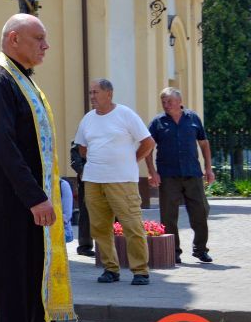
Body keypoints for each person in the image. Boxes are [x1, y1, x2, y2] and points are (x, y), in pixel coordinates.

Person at [0, 14, 76, 322]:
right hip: (10, 199)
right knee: (12, 275)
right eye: (39, 38)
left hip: (29, 198)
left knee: (33, 272)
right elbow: (4, 146)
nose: (46, 46)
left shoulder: (22, 79)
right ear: (13, 39)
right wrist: (34, 197)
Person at [73, 79, 155, 285]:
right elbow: (82, 148)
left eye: (96, 92)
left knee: (131, 225)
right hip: (93, 180)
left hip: (122, 180)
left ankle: (140, 271)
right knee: (99, 227)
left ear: (109, 94)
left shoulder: (125, 114)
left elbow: (148, 142)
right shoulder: (88, 119)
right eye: (90, 92)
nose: (92, 96)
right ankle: (110, 269)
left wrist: (131, 159)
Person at [146, 87, 215, 263]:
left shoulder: (193, 118)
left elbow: (204, 143)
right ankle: (173, 251)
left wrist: (208, 168)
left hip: (192, 173)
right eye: (163, 102)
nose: (166, 105)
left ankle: (200, 249)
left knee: (200, 212)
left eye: (169, 101)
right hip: (168, 176)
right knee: (168, 216)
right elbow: (147, 148)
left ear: (179, 101)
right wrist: (152, 172)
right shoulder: (157, 122)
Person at [70, 142, 94, 256]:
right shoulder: (83, 134)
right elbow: (75, 156)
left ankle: (116, 244)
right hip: (87, 180)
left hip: (110, 178)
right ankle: (85, 246)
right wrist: (82, 171)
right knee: (86, 213)